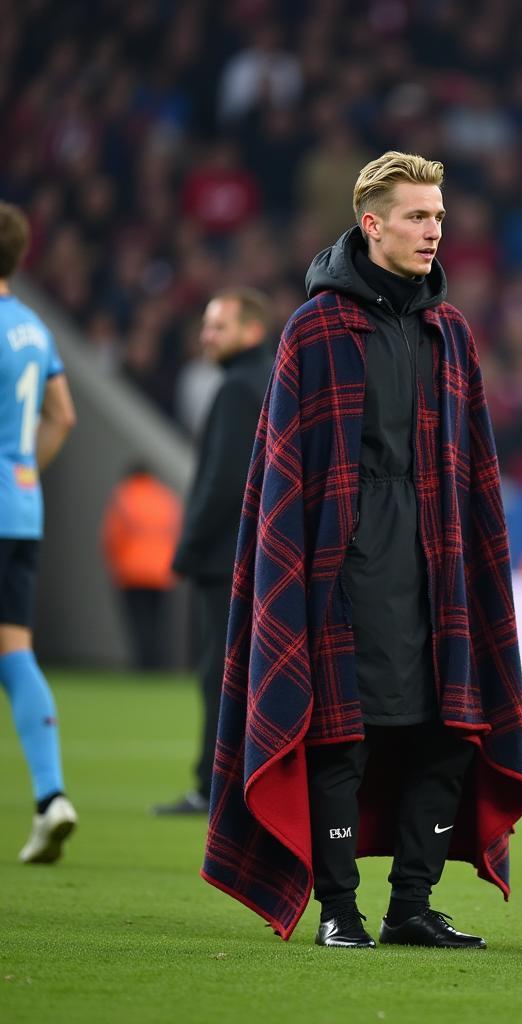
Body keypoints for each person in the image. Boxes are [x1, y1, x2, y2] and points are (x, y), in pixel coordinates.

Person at [201, 152, 522, 948]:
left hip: (439, 556)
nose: (435, 231)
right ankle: (339, 910)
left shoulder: (449, 330)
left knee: (450, 730)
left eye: (441, 217)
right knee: (343, 735)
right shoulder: (313, 329)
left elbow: (472, 466)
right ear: (371, 223)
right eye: (419, 216)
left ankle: (411, 905)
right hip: (342, 564)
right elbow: (283, 477)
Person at [152, 289, 273, 815]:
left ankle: (212, 785)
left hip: (225, 558)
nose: (206, 336)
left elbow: (224, 482)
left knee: (217, 673)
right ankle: (247, 783)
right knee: (251, 674)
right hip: (260, 554)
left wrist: (188, 547)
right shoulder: (269, 382)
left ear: (251, 331)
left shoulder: (235, 390)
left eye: (218, 326)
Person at [0, 201, 78, 863]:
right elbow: (63, 415)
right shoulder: (31, 325)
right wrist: (20, 468)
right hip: (21, 508)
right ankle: (51, 796)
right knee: (15, 652)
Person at [100, 463, 182, 671]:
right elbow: (177, 533)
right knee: (159, 621)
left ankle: (142, 664)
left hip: (132, 572)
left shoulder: (124, 496)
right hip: (162, 571)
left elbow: (112, 537)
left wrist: (115, 565)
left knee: (138, 621)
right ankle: (158, 664)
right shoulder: (166, 497)